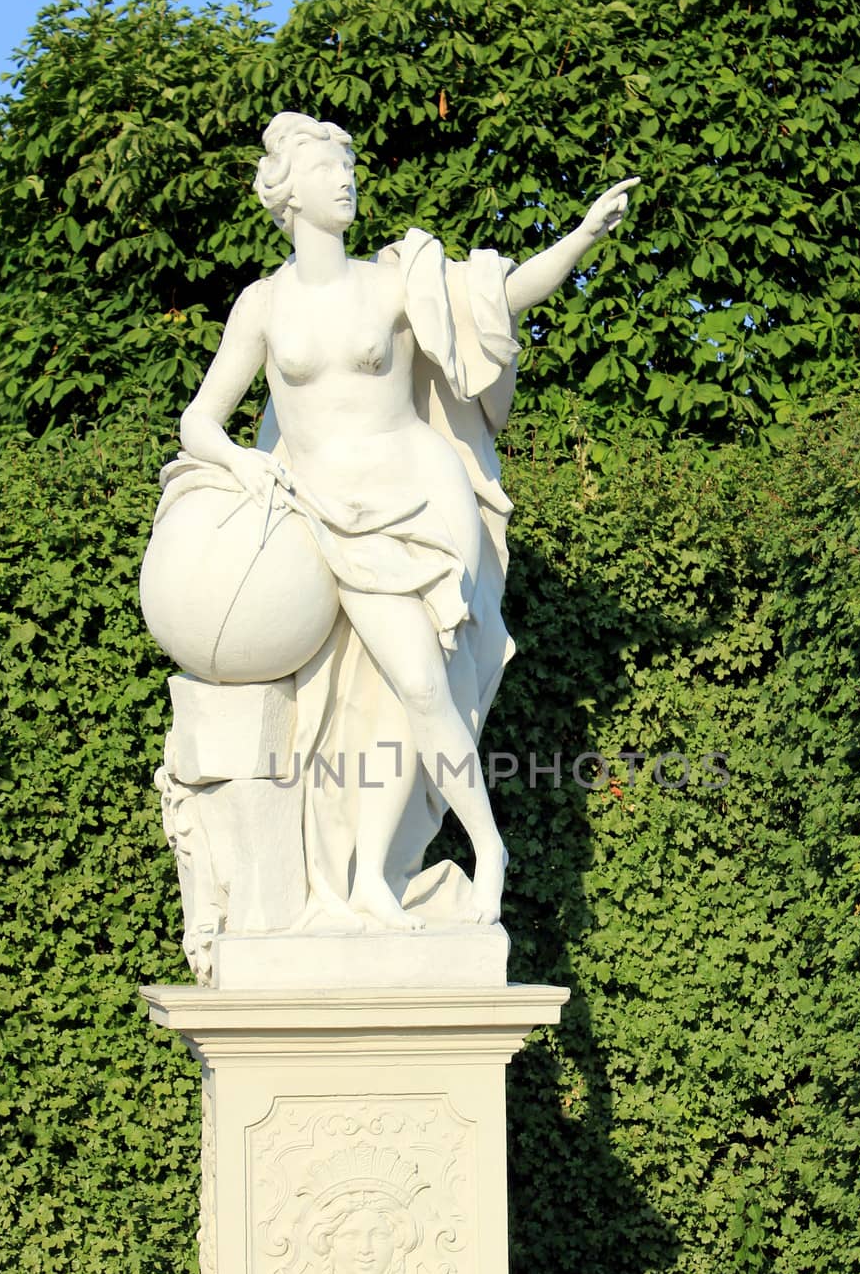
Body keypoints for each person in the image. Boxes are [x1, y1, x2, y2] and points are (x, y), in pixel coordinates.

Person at [177, 111, 638, 932]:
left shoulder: (391, 282)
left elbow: (498, 297)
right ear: (286, 192)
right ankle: (367, 885)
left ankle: (475, 851)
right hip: (319, 510)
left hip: (418, 496)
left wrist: (581, 236)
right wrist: (242, 462)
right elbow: (200, 421)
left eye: (348, 166)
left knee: (417, 684)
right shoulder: (262, 305)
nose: (345, 180)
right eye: (326, 169)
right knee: (366, 698)